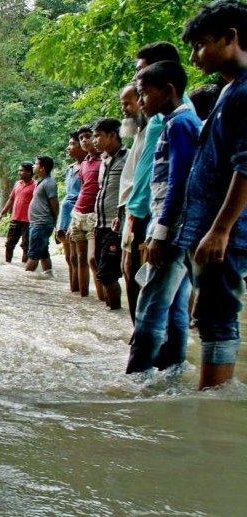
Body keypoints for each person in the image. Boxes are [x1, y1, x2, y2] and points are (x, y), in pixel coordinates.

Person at [175, 0, 247, 389]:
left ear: (231, 38)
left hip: (223, 233)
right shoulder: (227, 91)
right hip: (209, 227)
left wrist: (220, 230)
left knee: (218, 317)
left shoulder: (243, 93)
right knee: (210, 314)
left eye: (201, 44)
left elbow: (246, 166)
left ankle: (214, 398)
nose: (195, 55)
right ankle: (211, 394)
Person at [126, 61, 202, 375]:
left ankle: (137, 378)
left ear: (168, 90)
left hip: (171, 230)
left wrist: (160, 233)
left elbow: (178, 182)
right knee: (174, 309)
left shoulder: (179, 124)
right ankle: (171, 372)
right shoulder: (179, 121)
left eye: (144, 94)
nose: (141, 102)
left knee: (151, 306)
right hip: (178, 227)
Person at [118, 83, 148, 322]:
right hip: (130, 212)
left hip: (142, 214)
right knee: (128, 269)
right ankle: (136, 328)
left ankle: (142, 330)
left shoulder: (157, 129)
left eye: (127, 103)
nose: (124, 109)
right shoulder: (140, 133)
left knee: (135, 271)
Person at [93, 118, 127, 310]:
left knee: (107, 274)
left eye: (98, 135)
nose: (94, 140)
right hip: (99, 224)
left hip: (115, 226)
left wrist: (122, 217)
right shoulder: (104, 161)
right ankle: (110, 311)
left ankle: (115, 311)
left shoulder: (129, 158)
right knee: (102, 271)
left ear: (112, 135)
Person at [68, 125, 101, 298]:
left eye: (88, 136)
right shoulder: (84, 165)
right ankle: (83, 299)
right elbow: (83, 190)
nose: (85, 140)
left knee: (92, 259)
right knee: (79, 258)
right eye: (81, 138)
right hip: (78, 214)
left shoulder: (104, 160)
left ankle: (104, 298)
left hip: (95, 216)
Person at [57, 131, 86, 292]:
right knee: (68, 257)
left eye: (72, 144)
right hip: (65, 214)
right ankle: (73, 290)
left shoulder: (87, 166)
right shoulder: (70, 168)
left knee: (77, 257)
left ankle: (80, 290)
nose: (69, 148)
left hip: (77, 213)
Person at [26, 155, 59, 276]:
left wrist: (56, 224)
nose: (33, 166)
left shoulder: (49, 183)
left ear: (42, 168)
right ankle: (49, 277)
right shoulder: (41, 182)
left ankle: (25, 281)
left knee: (33, 255)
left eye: (36, 164)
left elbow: (54, 204)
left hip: (41, 224)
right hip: (38, 224)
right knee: (43, 253)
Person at [0, 163, 36, 264]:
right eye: (19, 170)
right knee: (9, 244)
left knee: (26, 246)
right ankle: (7, 265)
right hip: (15, 219)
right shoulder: (17, 183)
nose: (19, 172)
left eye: (21, 170)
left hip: (28, 221)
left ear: (29, 172)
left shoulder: (35, 186)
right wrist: (2, 214)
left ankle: (24, 269)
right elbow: (11, 199)